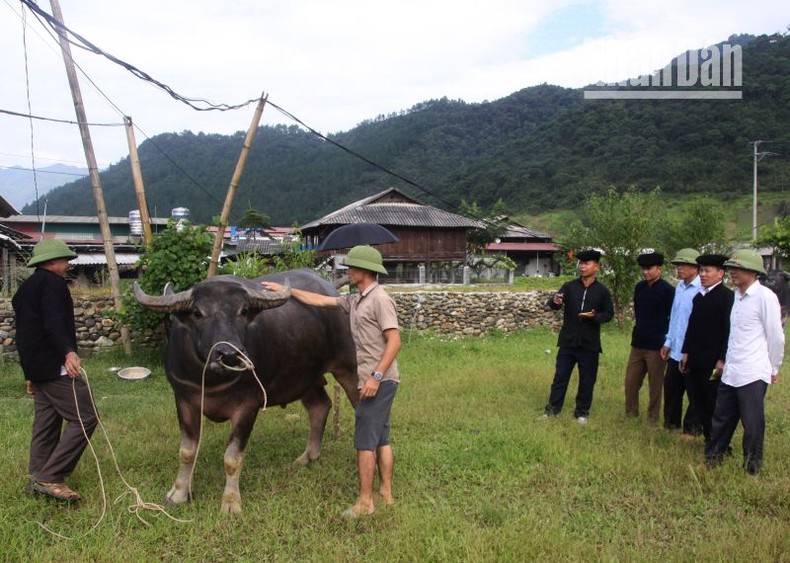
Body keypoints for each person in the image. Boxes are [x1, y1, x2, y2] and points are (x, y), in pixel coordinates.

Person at [262, 245, 401, 517]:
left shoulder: (380, 300)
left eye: (352, 267)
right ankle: (385, 491)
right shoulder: (356, 300)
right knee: (381, 439)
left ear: (365, 271)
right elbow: (320, 301)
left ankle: (365, 502)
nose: (348, 271)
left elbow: (394, 342)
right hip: (375, 379)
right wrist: (287, 292)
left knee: (364, 442)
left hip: (379, 381)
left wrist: (375, 377)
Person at [12, 239, 98, 502]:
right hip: (53, 366)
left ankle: (36, 477)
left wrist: (30, 374)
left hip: (38, 367)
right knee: (85, 417)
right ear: (51, 262)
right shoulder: (53, 284)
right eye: (64, 259)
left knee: (46, 423)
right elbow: (54, 322)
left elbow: (25, 334)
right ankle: (51, 477)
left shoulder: (25, 289)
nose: (68, 263)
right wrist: (68, 352)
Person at [706, 249, 784, 475]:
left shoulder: (765, 297)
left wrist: (773, 367)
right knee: (721, 418)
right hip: (732, 369)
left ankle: (752, 466)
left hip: (752, 371)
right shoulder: (737, 297)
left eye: (737, 269)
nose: (733, 273)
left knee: (752, 424)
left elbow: (776, 337)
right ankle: (713, 458)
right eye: (731, 268)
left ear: (753, 271)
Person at [543, 249, 614, 424]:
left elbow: (609, 314)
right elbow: (554, 304)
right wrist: (555, 301)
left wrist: (594, 317)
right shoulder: (569, 286)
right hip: (568, 340)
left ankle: (581, 413)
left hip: (589, 343)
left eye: (587, 263)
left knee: (587, 380)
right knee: (560, 378)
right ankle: (552, 410)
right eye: (581, 263)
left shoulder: (602, 291)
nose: (583, 267)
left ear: (596, 266)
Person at [679, 254, 734, 442]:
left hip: (713, 360)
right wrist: (685, 352)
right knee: (697, 400)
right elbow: (691, 327)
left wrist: (722, 357)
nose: (702, 274)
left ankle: (716, 442)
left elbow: (728, 331)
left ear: (720, 273)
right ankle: (706, 437)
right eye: (701, 270)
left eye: (707, 271)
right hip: (695, 358)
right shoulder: (699, 297)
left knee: (712, 403)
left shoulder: (727, 297)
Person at [624, 252, 674, 424]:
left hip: (657, 345)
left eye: (649, 269)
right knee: (631, 381)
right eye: (643, 269)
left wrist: (667, 341)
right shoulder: (640, 287)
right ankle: (631, 414)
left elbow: (672, 318)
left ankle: (652, 418)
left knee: (655, 385)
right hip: (638, 342)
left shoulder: (668, 290)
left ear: (659, 269)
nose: (646, 272)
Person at [661, 249, 702, 431]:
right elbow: (675, 317)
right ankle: (671, 423)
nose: (679, 268)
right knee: (671, 388)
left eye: (683, 265)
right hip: (676, 349)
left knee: (695, 392)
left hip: (692, 349)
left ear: (696, 267)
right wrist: (668, 341)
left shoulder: (702, 289)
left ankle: (692, 428)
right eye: (678, 265)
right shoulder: (680, 287)